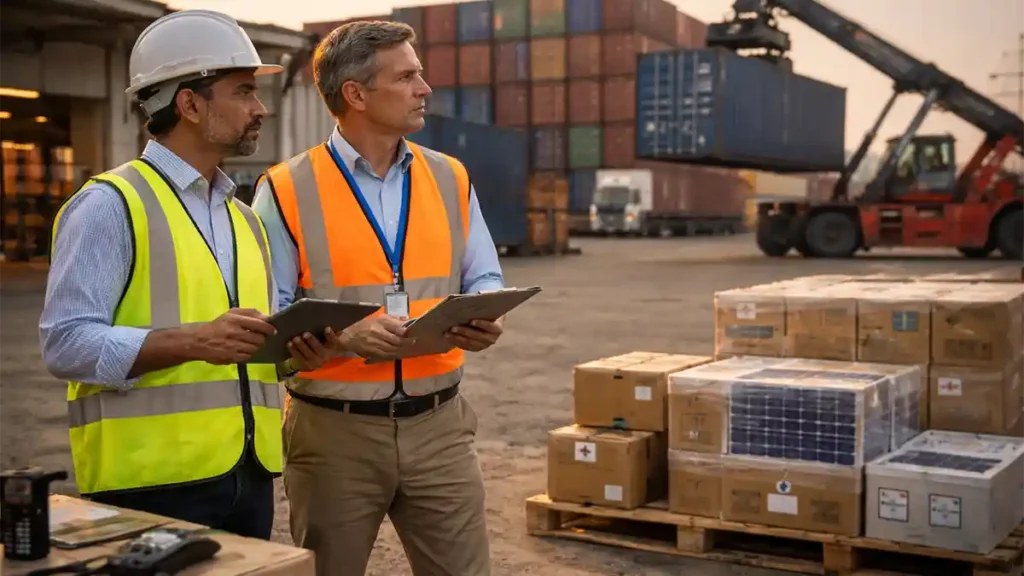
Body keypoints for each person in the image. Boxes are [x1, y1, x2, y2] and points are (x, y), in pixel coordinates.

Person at [38, 9, 335, 540]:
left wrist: (294, 353)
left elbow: (249, 349)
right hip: (151, 484)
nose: (259, 107)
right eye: (243, 91)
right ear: (190, 104)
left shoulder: (242, 216)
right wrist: (193, 341)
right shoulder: (110, 206)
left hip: (249, 474)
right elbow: (65, 343)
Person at [250, 20, 506, 576]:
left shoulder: (451, 177)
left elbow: (484, 276)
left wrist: (485, 312)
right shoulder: (285, 188)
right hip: (333, 434)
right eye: (407, 76)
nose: (424, 88)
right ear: (356, 94)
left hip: (441, 426)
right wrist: (345, 338)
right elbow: (268, 323)